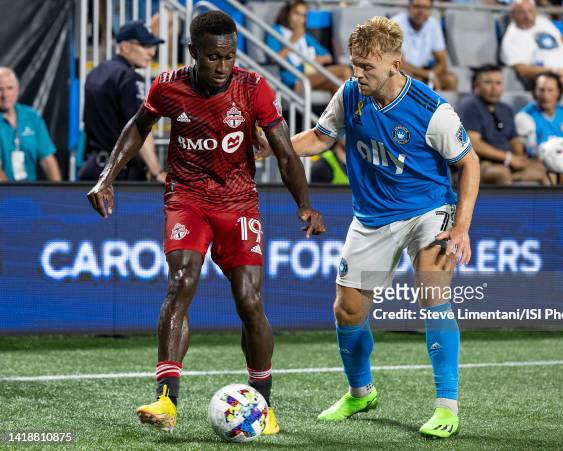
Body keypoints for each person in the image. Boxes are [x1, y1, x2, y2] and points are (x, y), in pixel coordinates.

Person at [86, 11, 325, 434]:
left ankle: (264, 406)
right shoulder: (167, 86)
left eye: (230, 56)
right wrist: (108, 178)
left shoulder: (254, 88)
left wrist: (305, 204)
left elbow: (285, 152)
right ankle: (166, 401)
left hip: (238, 204)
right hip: (187, 199)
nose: (222, 66)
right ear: (194, 52)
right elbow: (137, 128)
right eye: (213, 57)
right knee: (181, 282)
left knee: (249, 302)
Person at [260, 16, 479, 438]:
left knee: (432, 292)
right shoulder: (349, 94)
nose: (357, 74)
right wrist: (271, 149)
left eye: (367, 67)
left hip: (427, 210)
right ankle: (361, 392)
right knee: (347, 310)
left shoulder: (433, 111)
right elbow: (321, 138)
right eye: (354, 64)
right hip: (372, 216)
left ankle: (446, 407)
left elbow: (468, 163)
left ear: (396, 63)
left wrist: (462, 227)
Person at [81, 21, 166, 182]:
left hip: (94, 170)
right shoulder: (130, 78)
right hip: (121, 177)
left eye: (153, 46)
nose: (152, 52)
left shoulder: (95, 73)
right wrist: (156, 171)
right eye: (145, 45)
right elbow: (140, 127)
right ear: (125, 47)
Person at [457, 64, 547, 185]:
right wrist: (509, 158)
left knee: (540, 169)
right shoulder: (469, 106)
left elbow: (514, 139)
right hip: (479, 164)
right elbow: (475, 144)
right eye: (488, 83)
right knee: (502, 173)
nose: (494, 88)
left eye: (498, 83)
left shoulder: (506, 109)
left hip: (506, 162)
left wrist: (519, 156)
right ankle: (508, 204)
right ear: (476, 85)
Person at [265, 0, 352, 93]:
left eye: (303, 16)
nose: (299, 19)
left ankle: (349, 107)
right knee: (345, 70)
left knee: (340, 83)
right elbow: (274, 60)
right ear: (287, 13)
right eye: (296, 13)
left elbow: (328, 57)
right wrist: (292, 41)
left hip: (312, 75)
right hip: (295, 80)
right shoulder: (275, 31)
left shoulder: (304, 36)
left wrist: (317, 59)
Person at [514, 71, 563, 185]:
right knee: (549, 175)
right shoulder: (524, 117)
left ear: (558, 93)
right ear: (535, 92)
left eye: (550, 90)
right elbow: (528, 153)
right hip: (539, 164)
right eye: (541, 90)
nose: (545, 95)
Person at [500, 0, 563, 92]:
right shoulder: (512, 37)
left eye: (530, 11)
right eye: (521, 13)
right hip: (548, 79)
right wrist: (555, 71)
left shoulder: (543, 22)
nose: (528, 17)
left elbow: (562, 41)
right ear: (513, 15)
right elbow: (522, 70)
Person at [0, 67, 61, 182]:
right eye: (0, 89)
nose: (5, 95)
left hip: (30, 191)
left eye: (9, 88)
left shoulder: (32, 116)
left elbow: (48, 160)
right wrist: (12, 196)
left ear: (17, 90)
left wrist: (58, 193)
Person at [391, 0, 457, 91]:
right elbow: (398, 62)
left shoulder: (434, 24)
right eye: (417, 6)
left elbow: (442, 62)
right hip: (401, 72)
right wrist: (428, 74)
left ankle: (441, 105)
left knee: (451, 80)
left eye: (425, 7)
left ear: (430, 10)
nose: (421, 11)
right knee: (416, 82)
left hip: (424, 70)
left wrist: (432, 74)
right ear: (409, 8)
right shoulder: (396, 23)